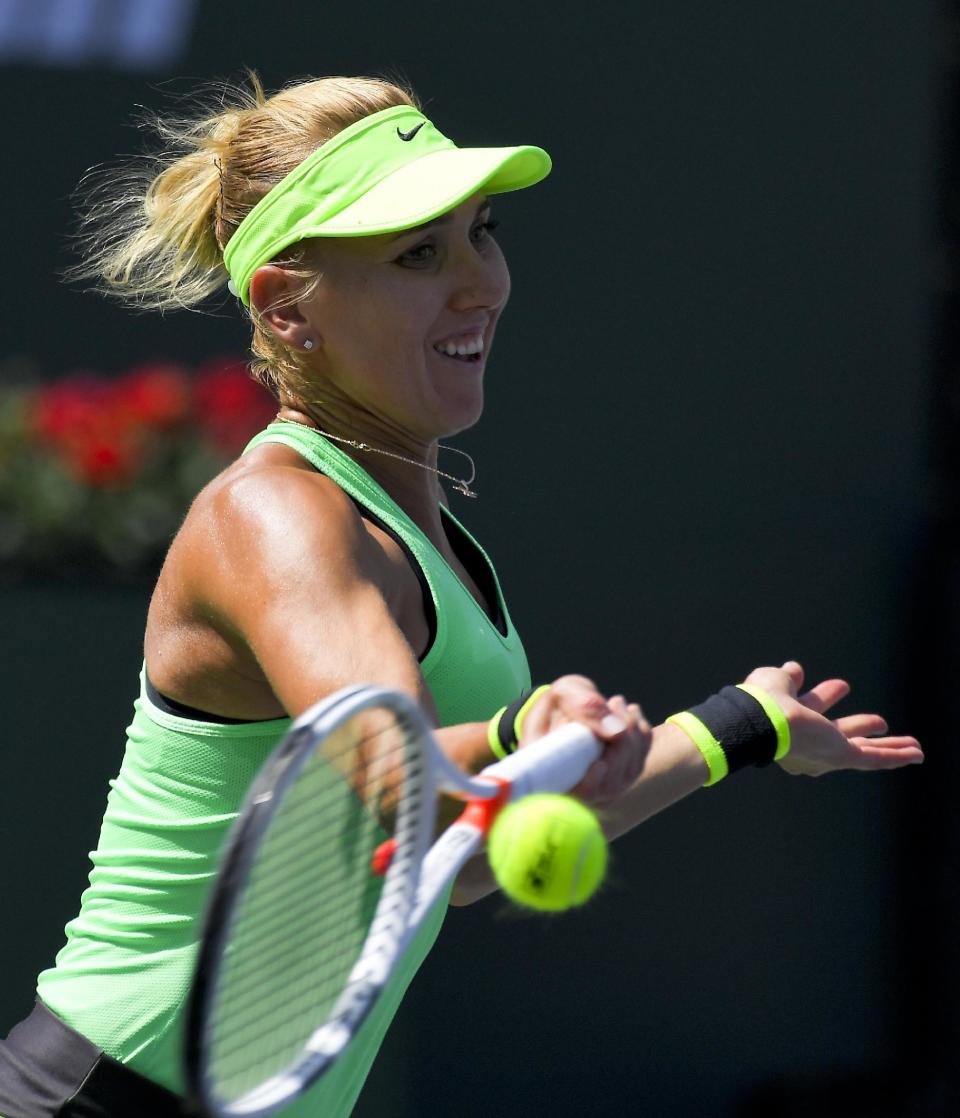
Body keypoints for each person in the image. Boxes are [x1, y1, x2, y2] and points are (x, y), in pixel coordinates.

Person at [0, 74, 923, 1118]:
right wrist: (525, 726)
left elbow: (460, 861)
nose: (479, 284)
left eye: (480, 234)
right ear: (286, 307)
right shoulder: (279, 518)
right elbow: (410, 791)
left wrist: (736, 727)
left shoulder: (421, 530)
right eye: (417, 255)